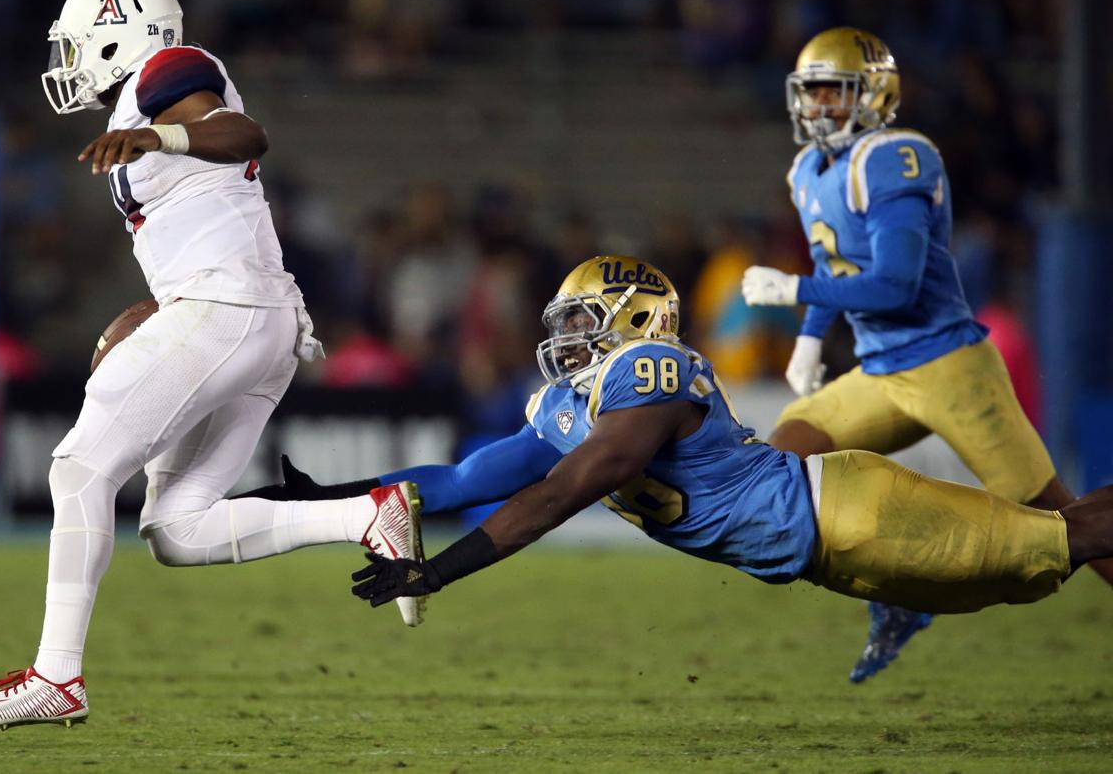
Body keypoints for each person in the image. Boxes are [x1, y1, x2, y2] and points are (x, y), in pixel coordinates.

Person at [0, 0, 423, 731]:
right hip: (253, 320)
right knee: (176, 528)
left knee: (77, 467)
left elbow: (243, 133)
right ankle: (369, 515)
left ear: (119, 31)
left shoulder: (167, 72)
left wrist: (157, 133)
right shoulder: (148, 100)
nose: (70, 62)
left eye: (78, 45)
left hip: (228, 309)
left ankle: (55, 677)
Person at [254, 256, 1113, 663]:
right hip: (831, 560)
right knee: (1037, 566)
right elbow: (464, 479)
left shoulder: (650, 374)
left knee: (1060, 539)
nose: (568, 337)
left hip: (851, 514)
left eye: (586, 320)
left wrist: (439, 573)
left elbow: (566, 491)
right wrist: (327, 500)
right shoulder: (567, 401)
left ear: (633, 322)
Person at [737, 27, 1110, 683]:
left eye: (833, 91)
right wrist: (808, 337)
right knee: (783, 463)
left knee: (1059, 518)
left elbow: (894, 282)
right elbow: (836, 262)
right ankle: (897, 593)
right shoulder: (807, 170)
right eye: (811, 92)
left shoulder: (894, 159)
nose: (817, 106)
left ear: (872, 94)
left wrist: (792, 289)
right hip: (880, 371)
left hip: (947, 367)